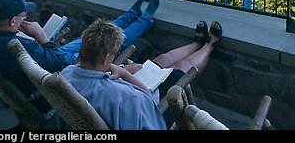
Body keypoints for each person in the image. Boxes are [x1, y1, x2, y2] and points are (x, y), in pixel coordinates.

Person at [0, 0, 160, 112]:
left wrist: (42, 43)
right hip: (66, 68)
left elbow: (46, 58)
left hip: (52, 59)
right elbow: (56, 65)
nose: (26, 19)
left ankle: (131, 14)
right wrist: (41, 37)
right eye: (23, 17)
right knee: (109, 41)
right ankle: (146, 18)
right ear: (12, 22)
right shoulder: (16, 46)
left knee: (89, 36)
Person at [61, 19, 223, 130]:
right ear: (106, 59)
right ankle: (209, 45)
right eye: (114, 55)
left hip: (116, 98)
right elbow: (146, 98)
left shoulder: (66, 73)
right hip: (155, 111)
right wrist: (125, 74)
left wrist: (121, 69)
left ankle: (196, 43)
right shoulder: (123, 98)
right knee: (179, 69)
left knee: (159, 60)